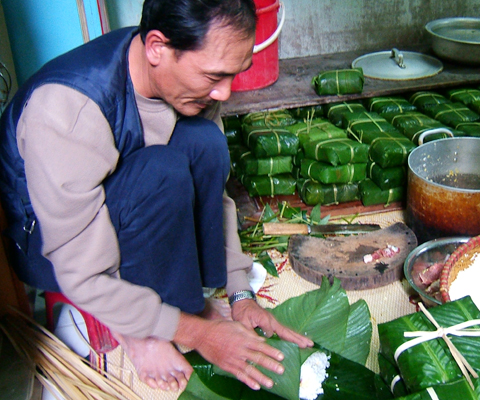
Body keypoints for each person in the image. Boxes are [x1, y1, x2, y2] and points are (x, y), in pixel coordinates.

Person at [0, 0, 313, 392]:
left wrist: (240, 293)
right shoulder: (69, 107)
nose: (225, 91)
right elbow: (81, 273)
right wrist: (195, 334)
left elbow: (217, 196)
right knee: (161, 171)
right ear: (156, 48)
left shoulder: (191, 84)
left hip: (124, 198)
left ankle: (184, 305)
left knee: (205, 145)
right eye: (215, 75)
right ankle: (143, 333)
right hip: (50, 246)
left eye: (234, 74)